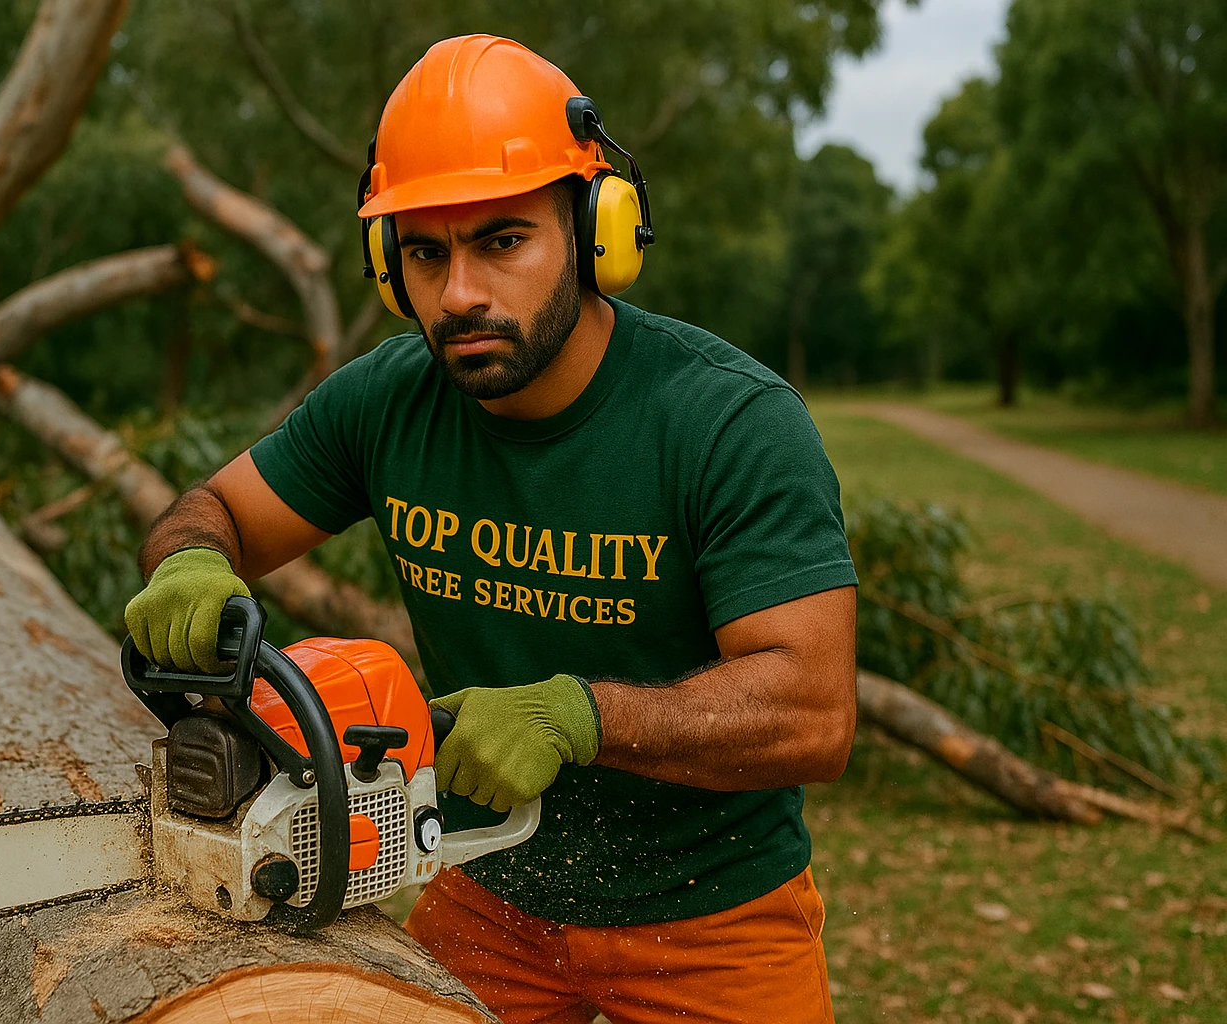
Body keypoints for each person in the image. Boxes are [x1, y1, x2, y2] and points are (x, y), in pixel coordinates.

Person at [125, 34, 857, 1024]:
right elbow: (213, 511)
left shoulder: (725, 420)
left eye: (502, 239)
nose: (461, 291)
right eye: (426, 251)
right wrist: (188, 566)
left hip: (716, 914)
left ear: (597, 230)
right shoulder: (389, 401)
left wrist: (580, 717)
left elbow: (812, 710)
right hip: (490, 880)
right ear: (392, 267)